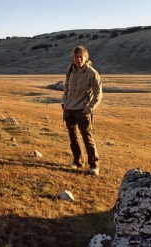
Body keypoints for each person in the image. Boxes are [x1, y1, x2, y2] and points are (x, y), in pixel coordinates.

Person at [62, 45, 102, 175]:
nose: (78, 59)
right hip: (69, 109)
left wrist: (89, 108)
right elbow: (67, 86)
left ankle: (94, 165)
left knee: (87, 138)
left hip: (82, 111)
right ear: (72, 58)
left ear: (86, 57)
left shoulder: (91, 73)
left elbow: (98, 94)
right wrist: (66, 102)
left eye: (81, 57)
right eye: (76, 57)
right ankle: (77, 161)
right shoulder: (70, 69)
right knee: (73, 137)